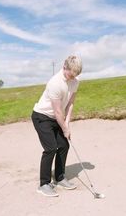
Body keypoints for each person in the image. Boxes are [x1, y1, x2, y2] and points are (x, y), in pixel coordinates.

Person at [31, 55, 82, 197]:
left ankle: (59, 177)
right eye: (70, 74)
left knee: (64, 145)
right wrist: (64, 128)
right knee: (51, 148)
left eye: (75, 75)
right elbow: (58, 111)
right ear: (65, 67)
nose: (72, 78)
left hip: (56, 118)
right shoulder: (54, 83)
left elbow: (70, 103)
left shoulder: (75, 81)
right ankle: (44, 184)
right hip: (42, 117)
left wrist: (67, 124)